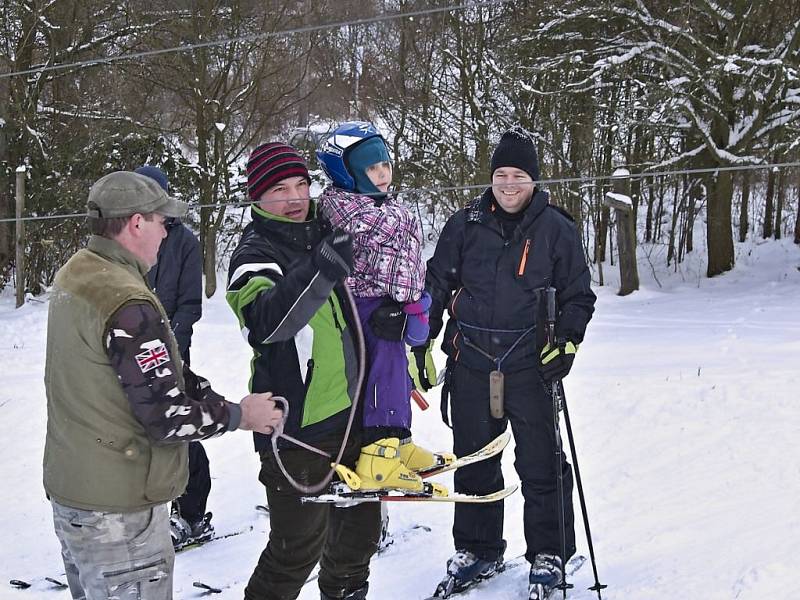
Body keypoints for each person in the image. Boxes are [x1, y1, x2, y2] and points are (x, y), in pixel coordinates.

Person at [43, 170, 283, 600]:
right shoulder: (127, 301)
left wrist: (213, 397)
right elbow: (166, 417)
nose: (166, 233)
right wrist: (240, 415)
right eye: (162, 222)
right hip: (120, 515)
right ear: (137, 223)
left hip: (77, 494)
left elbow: (148, 375)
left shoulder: (79, 272)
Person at [420, 127, 597, 599]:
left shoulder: (557, 229)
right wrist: (420, 339)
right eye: (501, 174)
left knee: (540, 463)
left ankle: (550, 553)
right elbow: (435, 285)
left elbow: (580, 297)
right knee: (475, 461)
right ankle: (478, 549)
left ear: (534, 180)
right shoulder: (464, 224)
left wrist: (567, 343)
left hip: (531, 367)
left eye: (519, 175)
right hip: (472, 362)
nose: (509, 184)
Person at [226, 142, 381, 600]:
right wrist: (319, 268)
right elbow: (267, 321)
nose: (294, 198)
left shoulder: (325, 230)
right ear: (256, 197)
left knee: (356, 540)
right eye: (278, 189)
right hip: (296, 428)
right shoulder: (254, 254)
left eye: (300, 184)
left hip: (353, 417)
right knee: (296, 550)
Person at [316, 121, 452, 494]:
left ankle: (399, 445)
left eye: (385, 165)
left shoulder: (380, 210)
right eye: (372, 168)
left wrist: (415, 305)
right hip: (369, 308)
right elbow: (398, 272)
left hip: (387, 305)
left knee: (398, 378)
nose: (382, 174)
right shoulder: (362, 217)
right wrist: (416, 303)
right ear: (349, 174)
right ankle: (378, 456)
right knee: (384, 377)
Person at [135, 165, 212, 549]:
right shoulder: (127, 238)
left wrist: (171, 346)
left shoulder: (184, 242)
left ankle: (192, 513)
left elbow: (190, 304)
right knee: (138, 428)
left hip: (172, 347)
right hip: (130, 349)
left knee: (178, 428)